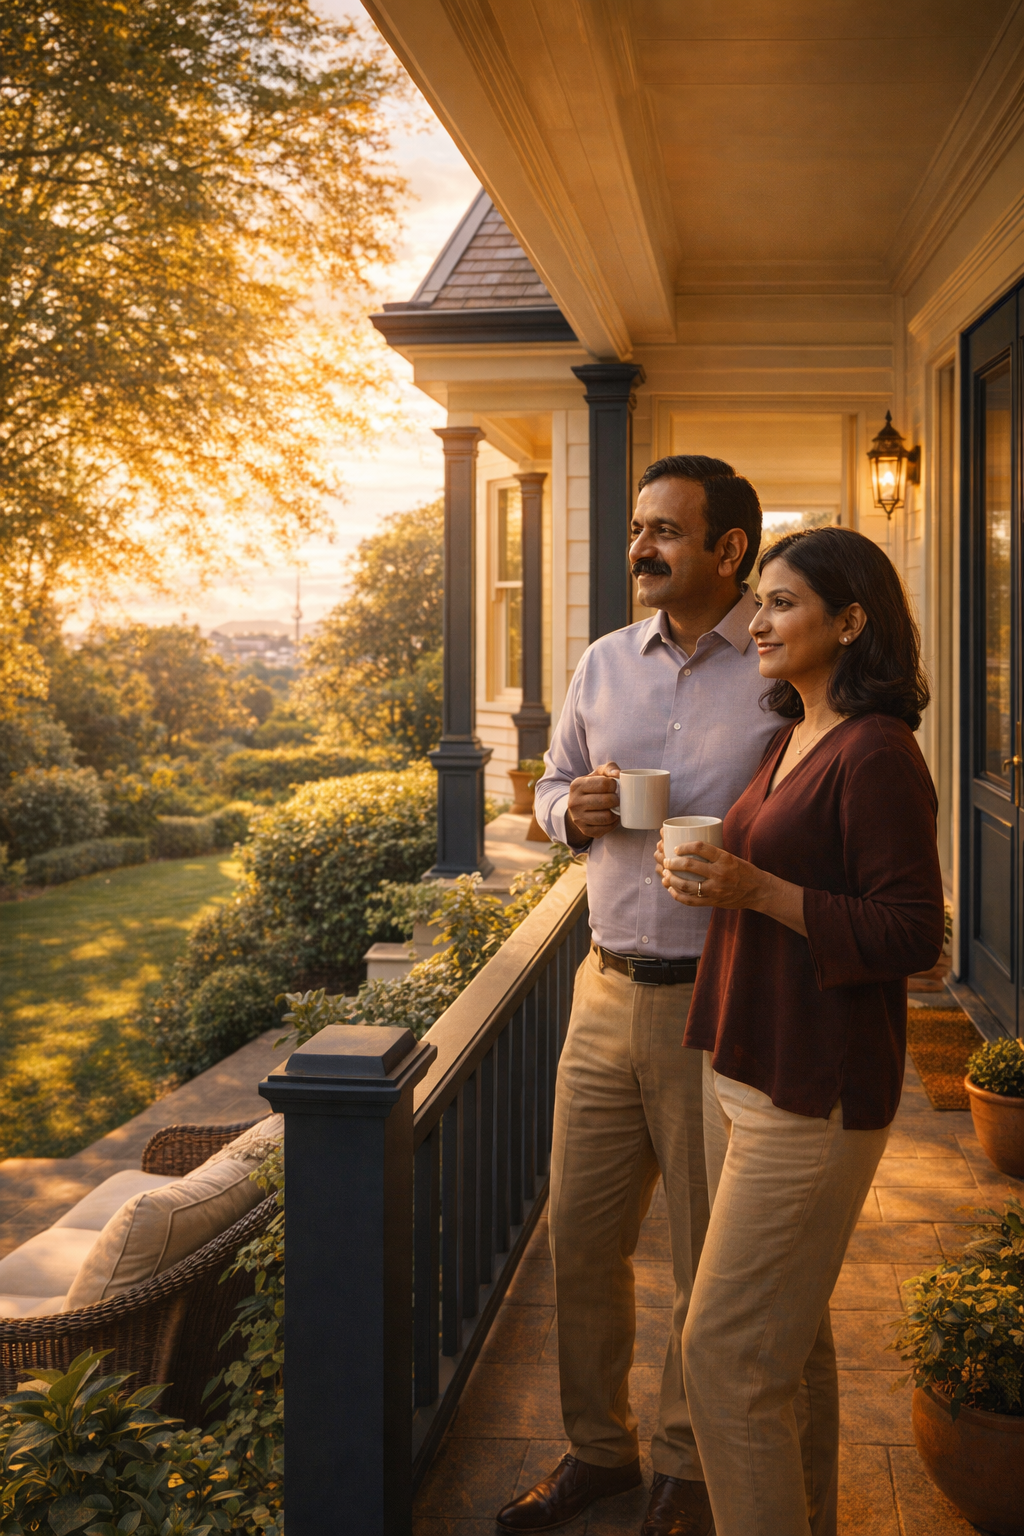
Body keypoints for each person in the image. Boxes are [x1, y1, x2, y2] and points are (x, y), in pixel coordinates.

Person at [496, 455, 782, 1536]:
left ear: (727, 550)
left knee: (708, 1254)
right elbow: (544, 796)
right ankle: (596, 1451)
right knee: (581, 1237)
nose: (640, 548)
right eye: (635, 528)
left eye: (665, 530)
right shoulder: (602, 662)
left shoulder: (776, 662)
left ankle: (684, 1464)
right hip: (602, 990)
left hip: (721, 1002)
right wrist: (575, 809)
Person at [657, 526, 945, 1536]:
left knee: (725, 1359)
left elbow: (915, 931)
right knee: (783, 1347)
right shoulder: (789, 735)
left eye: (780, 602)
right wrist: (713, 881)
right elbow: (772, 883)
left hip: (813, 1088)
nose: (757, 620)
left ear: (850, 621)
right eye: (759, 602)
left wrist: (757, 887)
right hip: (738, 1058)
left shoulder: (878, 754)